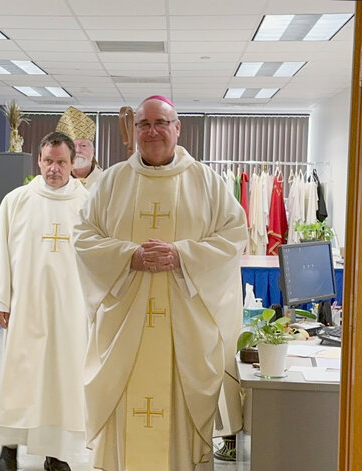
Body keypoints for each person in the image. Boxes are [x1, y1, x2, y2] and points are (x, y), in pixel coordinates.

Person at [73, 96, 248, 471]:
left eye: (161, 123)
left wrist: (183, 255)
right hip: (126, 327)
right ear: (134, 130)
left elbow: (235, 234)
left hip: (183, 329)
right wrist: (128, 257)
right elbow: (84, 237)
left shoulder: (206, 181)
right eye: (143, 124)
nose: (152, 132)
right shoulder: (111, 182)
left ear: (177, 128)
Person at [0, 131, 89, 471]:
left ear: (74, 164)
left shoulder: (87, 205)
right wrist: (0, 297)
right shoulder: (17, 201)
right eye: (48, 161)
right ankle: (8, 447)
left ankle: (56, 454)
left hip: (69, 310)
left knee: (61, 380)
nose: (54, 169)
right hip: (25, 307)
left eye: (61, 162)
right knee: (19, 378)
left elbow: (97, 258)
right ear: (38, 161)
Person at [56, 106, 103, 189]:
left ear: (93, 150)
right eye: (73, 146)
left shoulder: (107, 180)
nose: (77, 150)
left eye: (83, 145)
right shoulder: (56, 180)